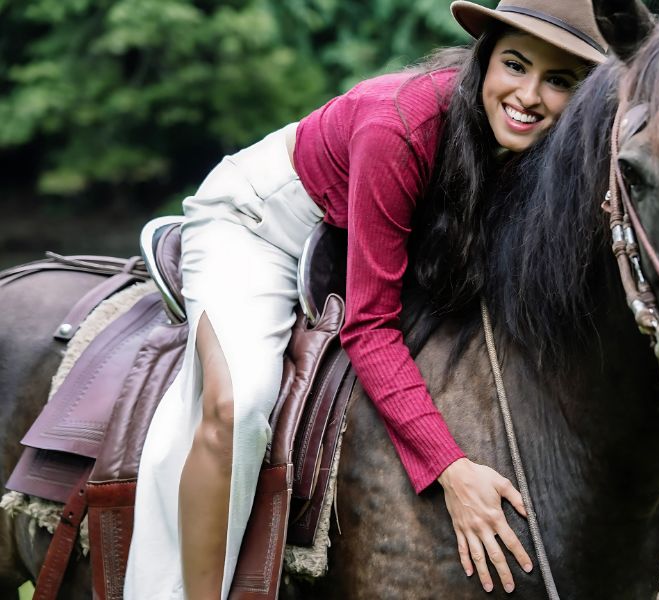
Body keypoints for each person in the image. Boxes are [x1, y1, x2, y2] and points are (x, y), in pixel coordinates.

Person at [124, 1, 608, 598]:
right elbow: (369, 326)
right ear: (485, 59)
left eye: (558, 80)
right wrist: (451, 470)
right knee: (238, 402)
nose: (529, 95)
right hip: (260, 225)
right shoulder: (400, 123)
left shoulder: (545, 148)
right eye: (515, 64)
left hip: (359, 229)